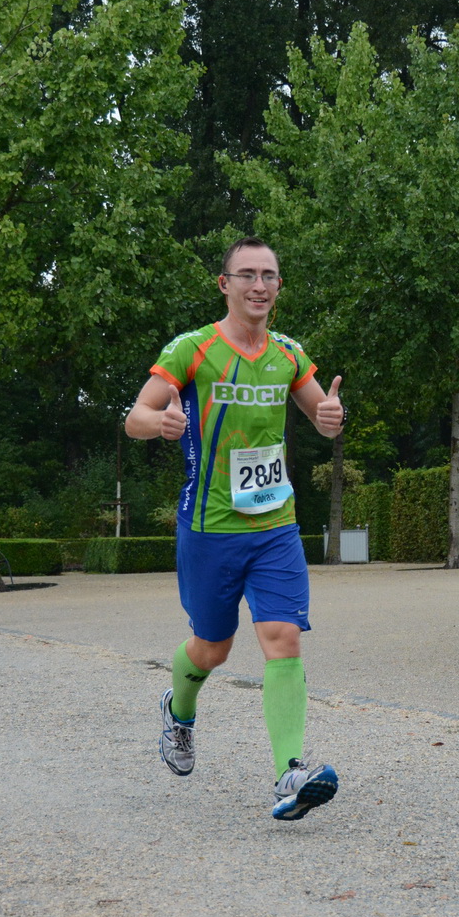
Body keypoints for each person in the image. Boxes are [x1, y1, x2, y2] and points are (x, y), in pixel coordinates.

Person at [125, 236, 346, 822]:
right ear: (225, 285)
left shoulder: (289, 354)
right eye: (246, 274)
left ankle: (290, 773)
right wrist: (163, 423)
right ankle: (180, 708)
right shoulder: (193, 350)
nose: (259, 285)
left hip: (275, 523)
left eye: (269, 275)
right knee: (212, 648)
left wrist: (329, 419)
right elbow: (135, 418)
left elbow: (322, 415)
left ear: (278, 287)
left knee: (283, 638)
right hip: (210, 526)